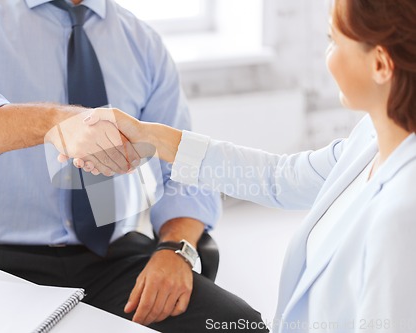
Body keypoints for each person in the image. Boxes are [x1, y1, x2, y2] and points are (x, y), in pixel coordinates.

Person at [0, 0, 267, 332]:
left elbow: (184, 172)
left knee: (241, 326)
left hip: (112, 258)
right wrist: (51, 121)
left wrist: (177, 250)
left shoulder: (142, 42)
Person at [80, 0, 416, 331]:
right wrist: (151, 137)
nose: (326, 58)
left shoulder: (402, 216)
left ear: (381, 65)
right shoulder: (369, 139)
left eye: (333, 40)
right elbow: (278, 179)